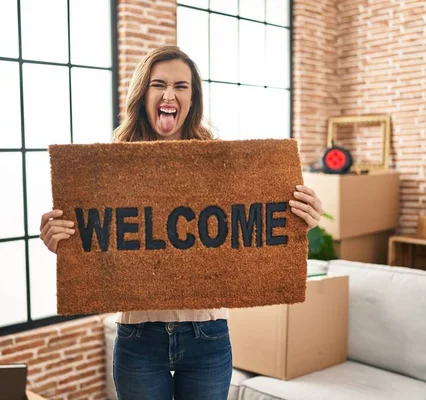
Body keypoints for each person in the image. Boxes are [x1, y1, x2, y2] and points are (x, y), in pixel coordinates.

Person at [39, 46, 323, 400]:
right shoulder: (110, 164)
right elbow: (98, 241)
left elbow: (250, 227)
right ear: (143, 94)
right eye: (158, 84)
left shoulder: (222, 163)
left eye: (181, 86)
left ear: (193, 98)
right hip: (138, 336)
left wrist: (299, 221)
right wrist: (62, 240)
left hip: (208, 333)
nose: (169, 94)